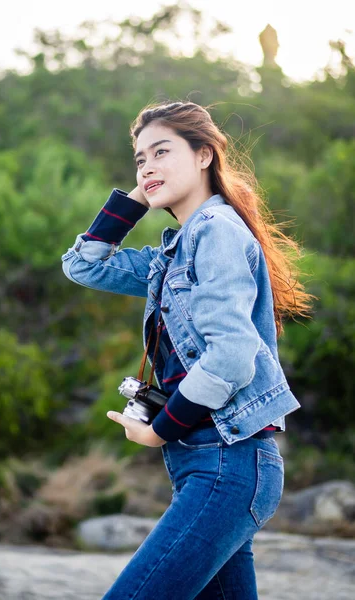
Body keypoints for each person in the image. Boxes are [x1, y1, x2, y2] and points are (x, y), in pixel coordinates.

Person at [61, 101, 313, 599]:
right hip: (211, 465)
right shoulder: (175, 252)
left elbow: (231, 356)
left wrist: (161, 429)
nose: (148, 165)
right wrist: (147, 189)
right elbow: (83, 265)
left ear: (204, 155)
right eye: (139, 159)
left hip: (227, 464)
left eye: (162, 152)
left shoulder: (216, 230)